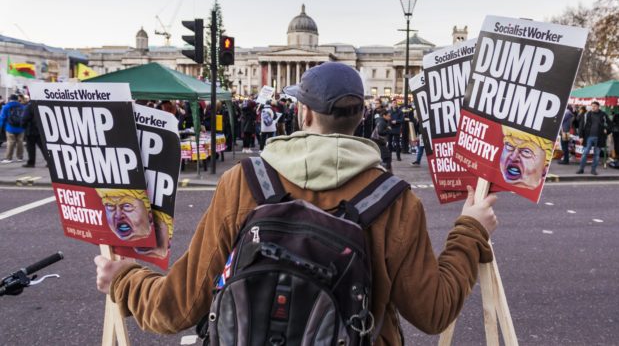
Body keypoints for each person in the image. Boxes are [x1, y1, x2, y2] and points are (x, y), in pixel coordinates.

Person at [94, 62, 498, 345]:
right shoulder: (395, 200)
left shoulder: (243, 182)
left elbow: (176, 307)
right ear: (361, 115)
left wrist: (124, 278)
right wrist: (470, 229)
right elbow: (434, 312)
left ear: (302, 112)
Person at [577, 101, 611, 175]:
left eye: (595, 106)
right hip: (588, 137)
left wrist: (607, 130)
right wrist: (580, 136)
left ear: (598, 107)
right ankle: (581, 169)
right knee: (585, 153)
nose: (593, 107)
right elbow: (581, 126)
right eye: (592, 106)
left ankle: (593, 170)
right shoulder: (586, 114)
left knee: (596, 155)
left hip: (599, 137)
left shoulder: (603, 115)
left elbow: (610, 124)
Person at [0, 94, 25, 163]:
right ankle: (20, 157)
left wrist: (1, 126)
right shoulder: (22, 106)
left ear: (10, 99)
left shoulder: (6, 106)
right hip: (21, 127)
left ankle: (8, 158)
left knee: (10, 142)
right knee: (20, 142)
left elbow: (2, 118)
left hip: (10, 127)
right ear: (17, 99)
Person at [20, 99, 46, 167]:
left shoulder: (29, 106)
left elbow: (25, 118)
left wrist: (23, 125)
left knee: (31, 148)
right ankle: (49, 161)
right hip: (40, 130)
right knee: (43, 147)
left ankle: (31, 162)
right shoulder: (41, 104)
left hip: (31, 130)